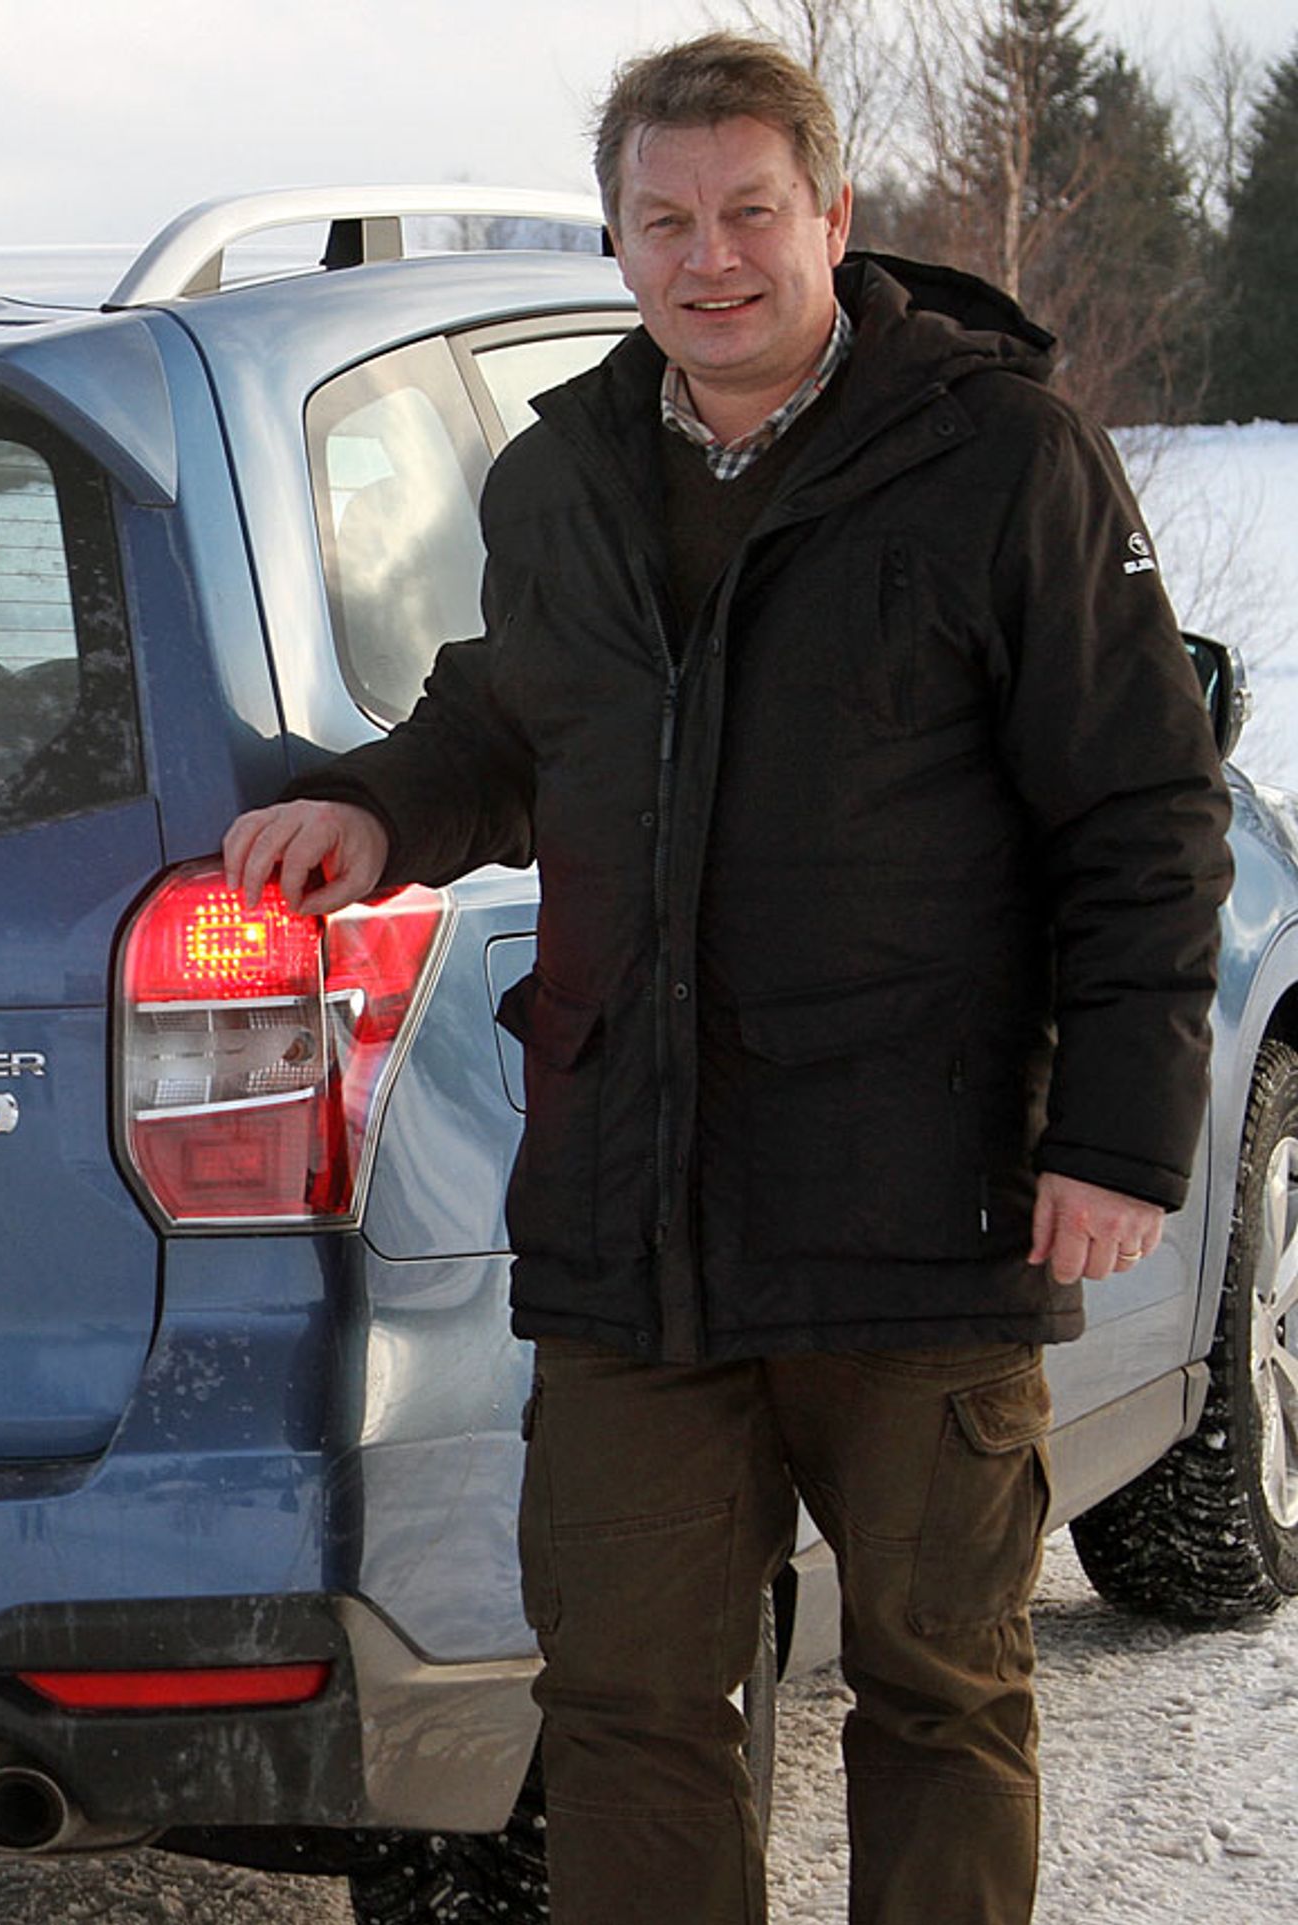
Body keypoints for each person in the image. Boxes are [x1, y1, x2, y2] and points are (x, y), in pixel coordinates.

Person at [223, 33, 1232, 1925]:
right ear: (616, 242)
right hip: (634, 1216)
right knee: (625, 1705)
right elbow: (517, 717)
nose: (711, 259)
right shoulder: (563, 475)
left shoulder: (1001, 458)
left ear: (833, 219)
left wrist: (1120, 1133)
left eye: (750, 213)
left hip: (920, 1208)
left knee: (939, 1690)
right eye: (665, 220)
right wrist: (375, 808)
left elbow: (1144, 813)